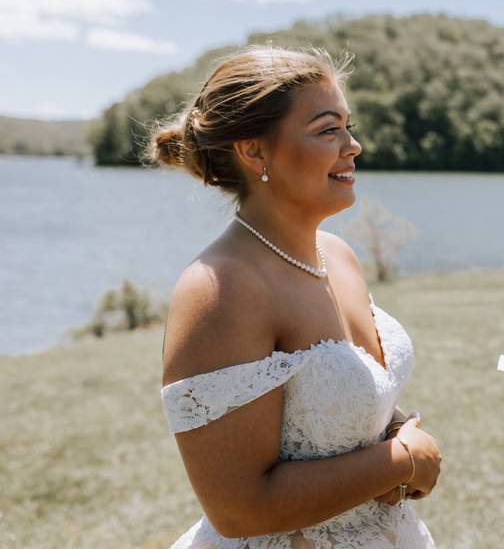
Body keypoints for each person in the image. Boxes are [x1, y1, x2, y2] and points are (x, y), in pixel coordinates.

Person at [151, 46, 441, 548]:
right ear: (255, 151)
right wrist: (403, 461)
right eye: (328, 129)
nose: (353, 146)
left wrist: (392, 431)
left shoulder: (338, 255)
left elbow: (343, 400)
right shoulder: (220, 288)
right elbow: (237, 508)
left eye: (348, 127)